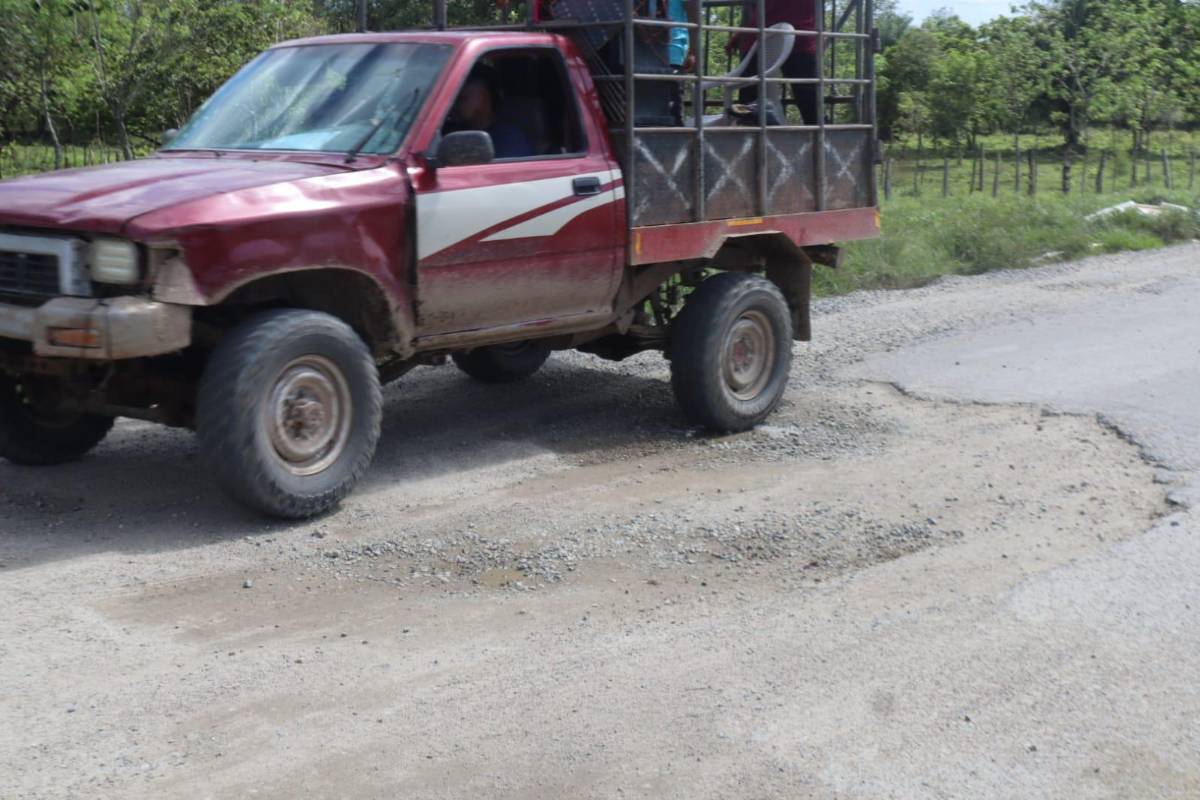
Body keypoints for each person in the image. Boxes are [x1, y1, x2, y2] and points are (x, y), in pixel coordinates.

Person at [729, 0, 820, 126]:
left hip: (784, 36)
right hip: (768, 36)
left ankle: (817, 138)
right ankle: (818, 139)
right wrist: (742, 32)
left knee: (808, 100)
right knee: (750, 106)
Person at [446, 68, 533, 159]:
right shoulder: (452, 132)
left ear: (484, 97)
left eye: (462, 98)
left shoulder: (508, 138)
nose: (454, 105)